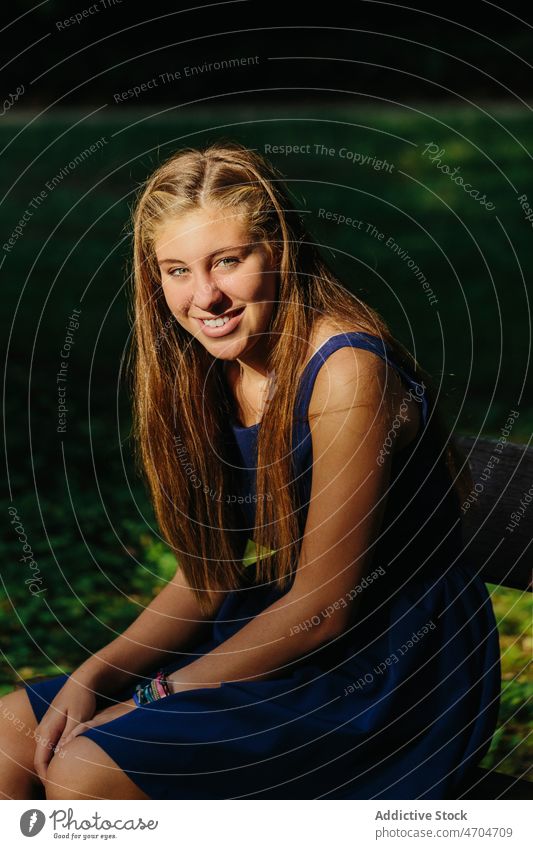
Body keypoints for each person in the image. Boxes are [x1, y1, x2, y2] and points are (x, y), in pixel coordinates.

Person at [0, 141, 501, 800]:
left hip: (384, 667)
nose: (204, 295)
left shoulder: (347, 370)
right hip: (267, 630)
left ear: (280, 251)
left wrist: (157, 694)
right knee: (12, 733)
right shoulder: (207, 368)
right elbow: (207, 578)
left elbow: (323, 609)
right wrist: (97, 671)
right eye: (176, 270)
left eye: (228, 261)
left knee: (83, 773)